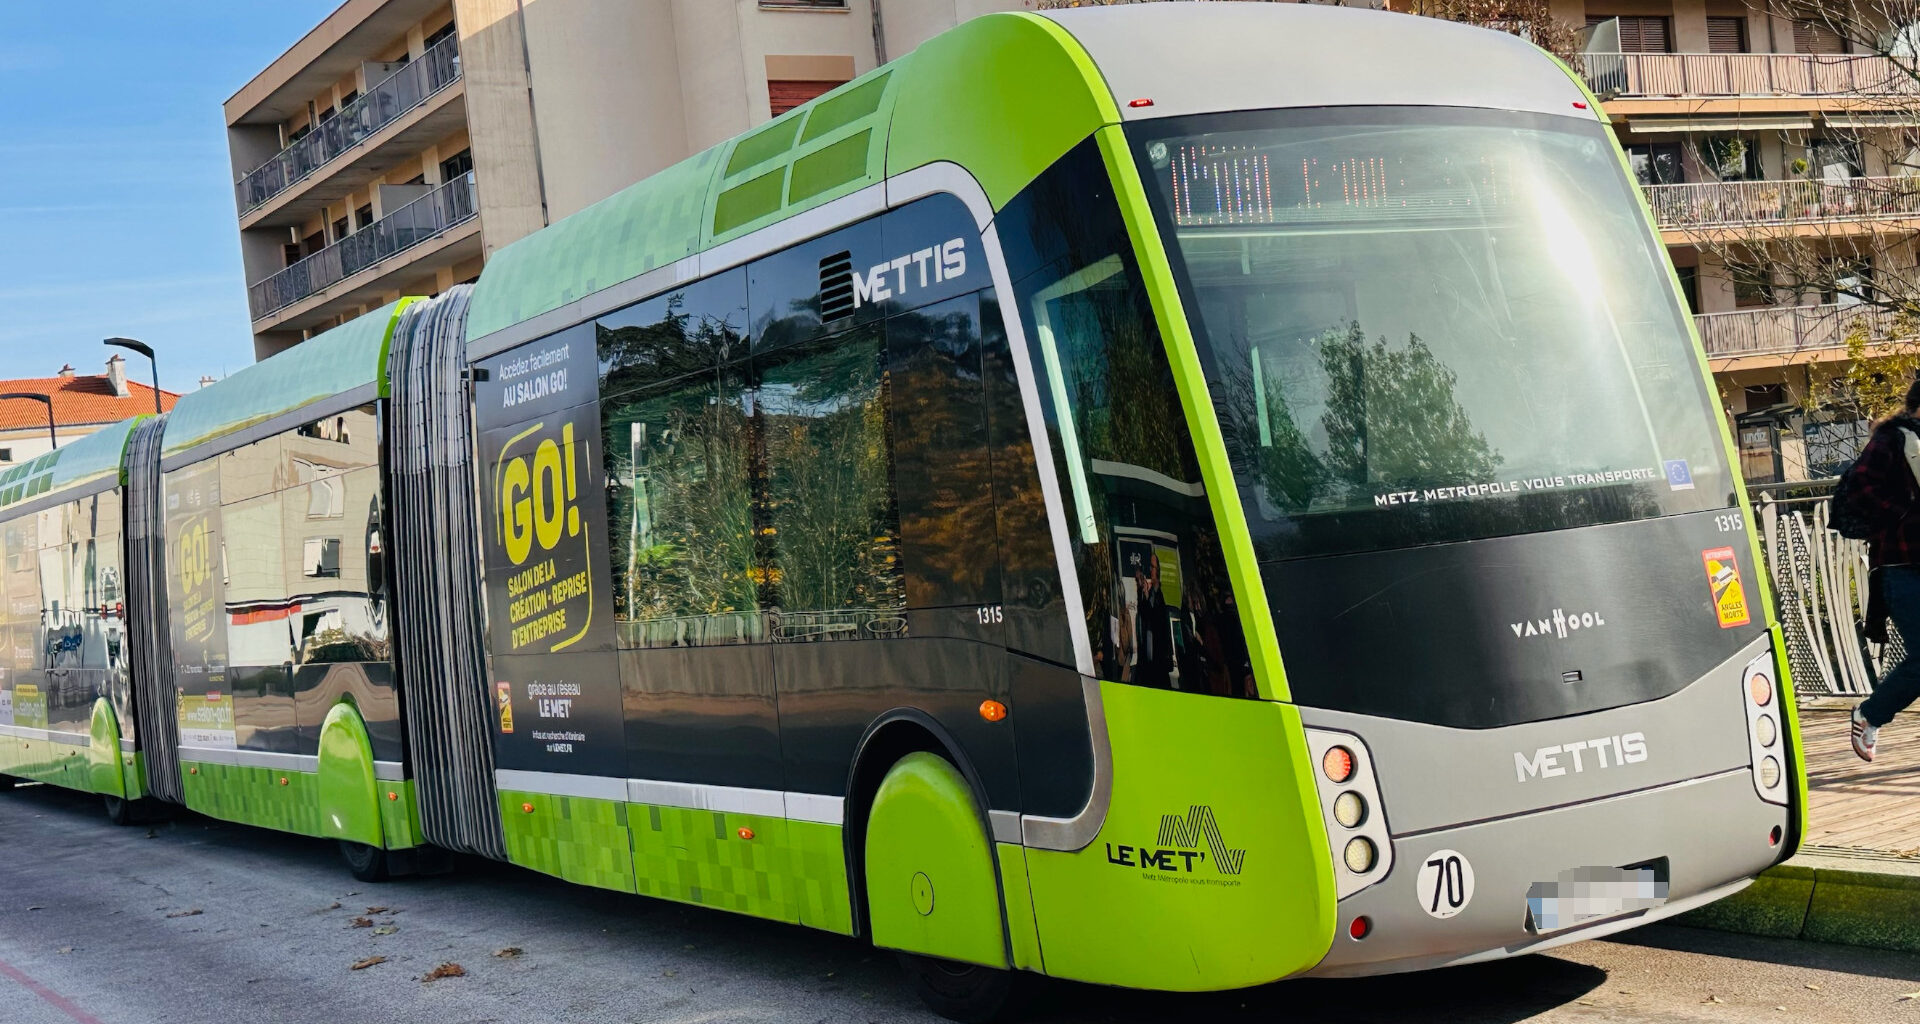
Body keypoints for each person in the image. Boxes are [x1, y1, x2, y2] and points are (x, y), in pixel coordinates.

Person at [1851, 377, 1920, 761]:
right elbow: (1859, 489)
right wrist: (1904, 513)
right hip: (1902, 565)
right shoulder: (1891, 439)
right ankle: (1869, 714)